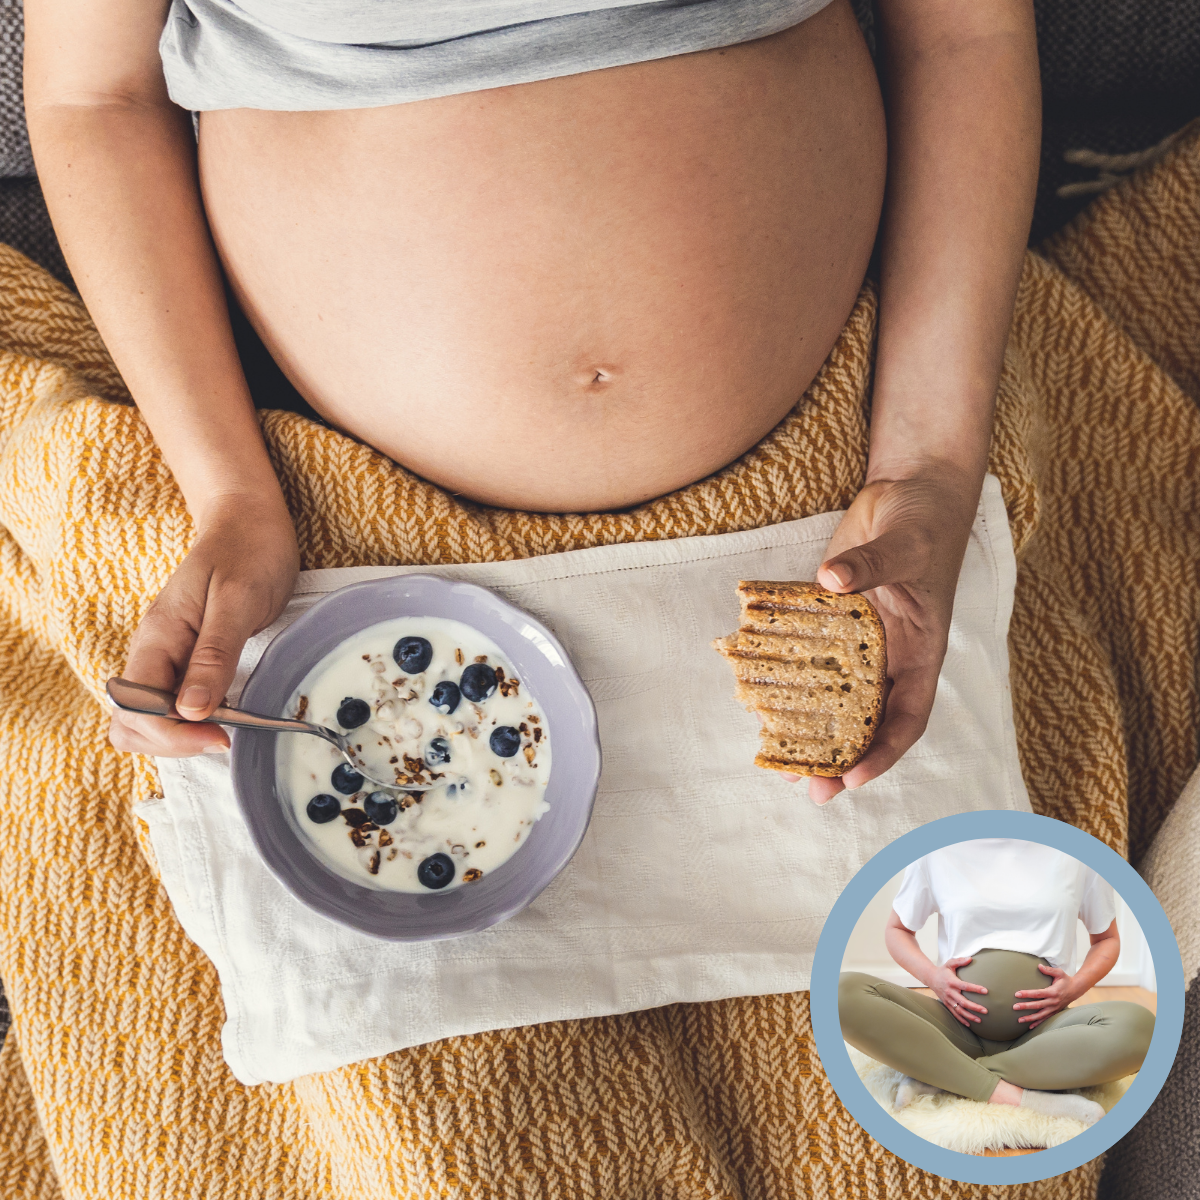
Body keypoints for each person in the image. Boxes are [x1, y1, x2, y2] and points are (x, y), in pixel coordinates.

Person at [25, 0, 1040, 803]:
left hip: (848, 486)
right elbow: (92, 99)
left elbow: (965, 35)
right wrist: (230, 496)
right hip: (332, 517)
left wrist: (930, 468)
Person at [839, 839, 1156, 1126]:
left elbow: (1107, 939)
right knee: (839, 994)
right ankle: (1017, 1096)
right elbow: (897, 930)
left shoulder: (1077, 852)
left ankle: (941, 1075)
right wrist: (933, 978)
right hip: (956, 1025)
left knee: (1143, 1029)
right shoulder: (936, 851)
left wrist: (1074, 987)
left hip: (1045, 1032)